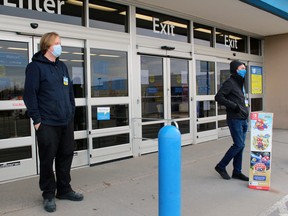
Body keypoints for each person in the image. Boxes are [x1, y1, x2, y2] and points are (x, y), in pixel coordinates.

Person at [23, 32, 83, 213]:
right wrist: (37, 120)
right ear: (47, 46)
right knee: (47, 159)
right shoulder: (35, 67)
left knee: (66, 156)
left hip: (66, 121)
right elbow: (29, 95)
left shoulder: (62, 67)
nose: (60, 46)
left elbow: (69, 92)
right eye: (57, 43)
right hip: (47, 122)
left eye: (60, 43)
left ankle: (64, 190)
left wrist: (71, 111)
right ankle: (49, 194)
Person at [214, 60, 249, 181]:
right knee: (238, 144)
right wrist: (234, 106)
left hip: (243, 119)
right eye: (242, 68)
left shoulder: (240, 83)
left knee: (241, 146)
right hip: (235, 119)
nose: (244, 70)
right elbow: (218, 97)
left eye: (245, 68)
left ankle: (237, 172)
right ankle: (221, 166)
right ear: (235, 70)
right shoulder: (230, 82)